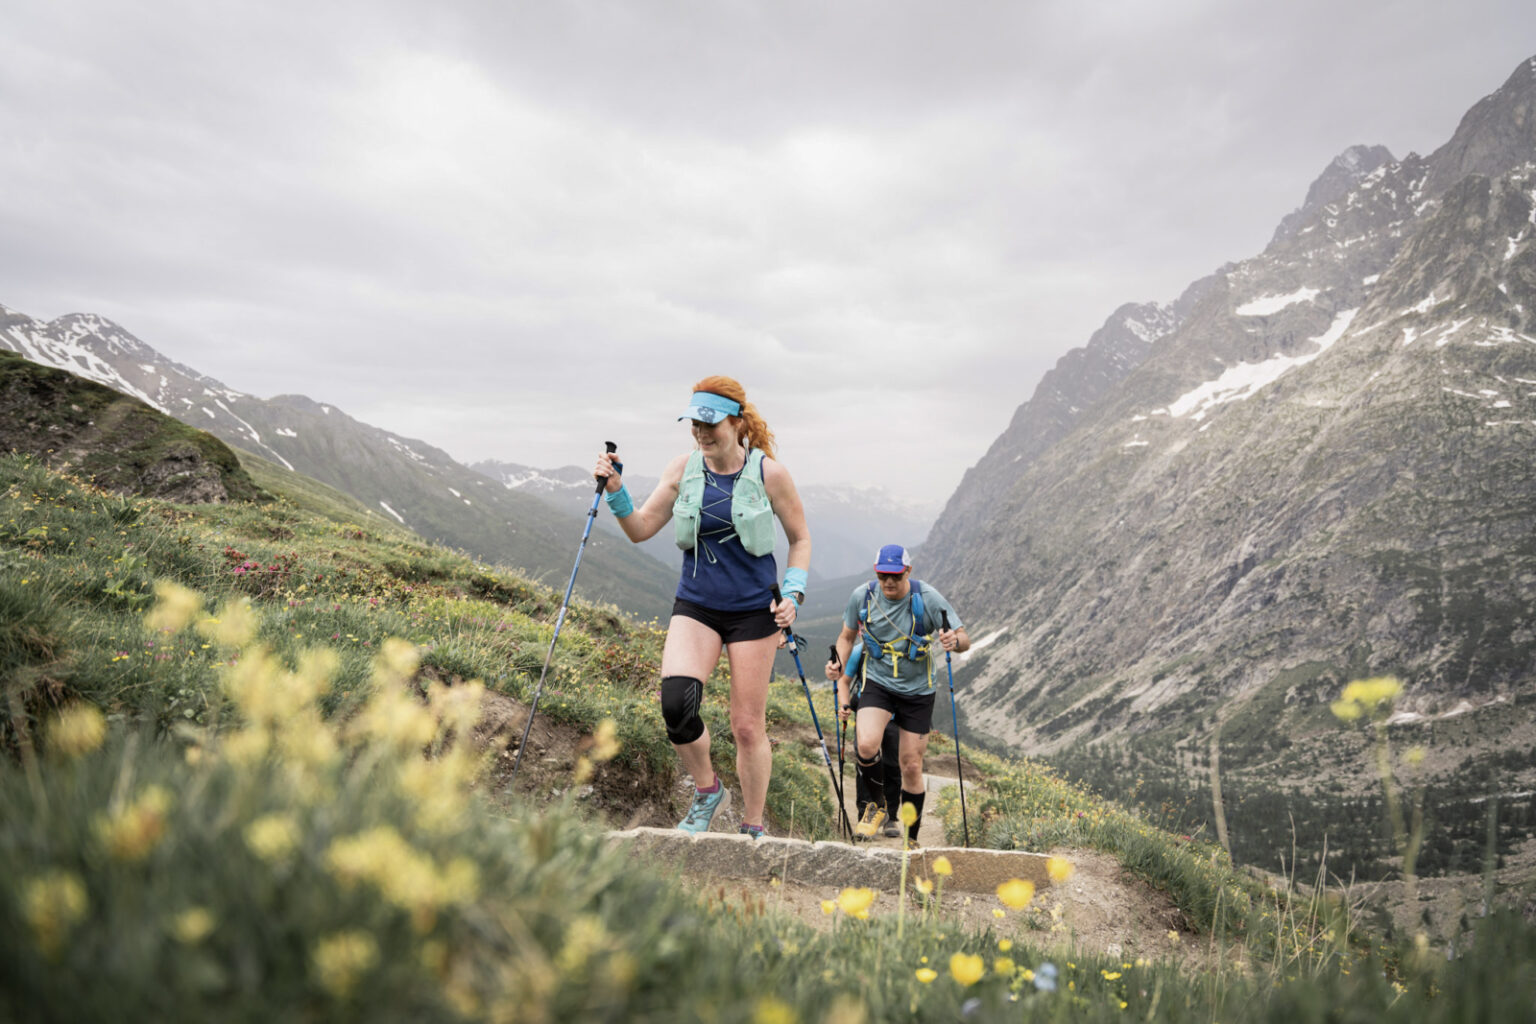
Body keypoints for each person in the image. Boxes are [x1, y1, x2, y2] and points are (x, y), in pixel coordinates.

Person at [594, 376, 810, 839]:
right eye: (695, 423)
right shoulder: (682, 468)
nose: (701, 432)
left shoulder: (769, 473)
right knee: (676, 704)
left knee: (748, 727)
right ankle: (708, 790)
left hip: (755, 612)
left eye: (710, 424)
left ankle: (753, 826)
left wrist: (793, 595)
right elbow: (640, 528)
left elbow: (800, 539)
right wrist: (615, 489)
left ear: (736, 421)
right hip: (696, 605)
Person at [832, 544, 969, 844]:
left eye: (894, 575)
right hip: (878, 684)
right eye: (882, 575)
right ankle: (879, 806)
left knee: (911, 765)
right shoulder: (863, 597)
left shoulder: (928, 598)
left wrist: (952, 641)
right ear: (875, 572)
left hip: (918, 691)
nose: (888, 582)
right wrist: (839, 664)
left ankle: (912, 839)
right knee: (866, 746)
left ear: (908, 571)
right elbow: (846, 637)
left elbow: (964, 639)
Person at [824, 641, 903, 838]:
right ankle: (865, 815)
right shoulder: (859, 651)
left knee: (892, 766)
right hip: (867, 713)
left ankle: (891, 816)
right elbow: (844, 680)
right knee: (865, 764)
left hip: (897, 716)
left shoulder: (903, 648)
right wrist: (844, 705)